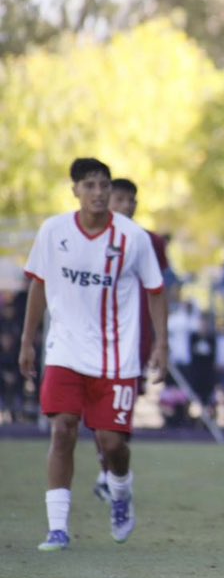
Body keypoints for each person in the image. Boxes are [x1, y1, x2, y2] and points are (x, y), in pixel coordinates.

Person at [19, 157, 168, 551]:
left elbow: (156, 290)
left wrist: (162, 345)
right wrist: (27, 342)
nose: (99, 193)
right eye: (90, 185)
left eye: (103, 185)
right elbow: (37, 285)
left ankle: (121, 493)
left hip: (117, 357)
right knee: (63, 429)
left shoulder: (132, 238)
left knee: (112, 443)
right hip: (65, 351)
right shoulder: (53, 231)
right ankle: (57, 528)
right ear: (75, 191)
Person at [92, 177, 173, 502]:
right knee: (94, 408)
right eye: (120, 199)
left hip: (134, 335)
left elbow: (161, 290)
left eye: (131, 200)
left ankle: (107, 472)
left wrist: (159, 341)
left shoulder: (149, 241)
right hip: (92, 336)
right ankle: (106, 468)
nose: (127, 205)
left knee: (122, 405)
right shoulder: (86, 237)